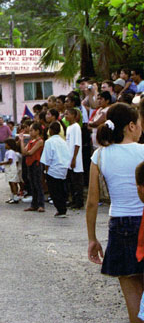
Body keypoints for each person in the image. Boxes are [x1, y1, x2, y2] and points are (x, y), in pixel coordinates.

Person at [87, 103, 144, 323]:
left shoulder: (99, 156)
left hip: (120, 227)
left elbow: (92, 203)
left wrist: (92, 238)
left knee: (133, 298)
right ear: (131, 126)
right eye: (139, 123)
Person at [40, 122, 71, 217]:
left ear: (51, 130)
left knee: (54, 191)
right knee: (61, 189)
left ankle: (60, 209)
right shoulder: (63, 141)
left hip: (53, 169)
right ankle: (63, 208)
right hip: (63, 168)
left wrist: (46, 170)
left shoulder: (49, 142)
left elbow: (47, 158)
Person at [18, 123, 45, 212]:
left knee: (38, 184)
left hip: (36, 164)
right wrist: (22, 141)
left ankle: (41, 204)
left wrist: (23, 144)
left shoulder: (40, 141)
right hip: (30, 164)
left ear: (37, 131)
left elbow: (29, 152)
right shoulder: (31, 141)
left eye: (31, 130)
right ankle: (34, 204)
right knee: (32, 184)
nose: (30, 132)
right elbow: (23, 152)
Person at [64, 108, 84, 209]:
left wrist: (74, 158)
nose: (65, 116)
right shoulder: (68, 127)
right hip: (69, 158)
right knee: (71, 182)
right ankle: (73, 200)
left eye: (67, 114)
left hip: (75, 159)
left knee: (77, 182)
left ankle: (79, 202)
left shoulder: (76, 127)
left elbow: (77, 144)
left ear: (73, 115)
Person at [1, 138, 21, 204]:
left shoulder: (10, 152)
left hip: (10, 169)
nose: (5, 145)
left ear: (9, 145)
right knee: (11, 182)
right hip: (12, 169)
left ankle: (15, 197)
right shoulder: (13, 152)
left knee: (12, 183)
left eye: (6, 144)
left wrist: (3, 163)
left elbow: (10, 160)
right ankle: (13, 196)